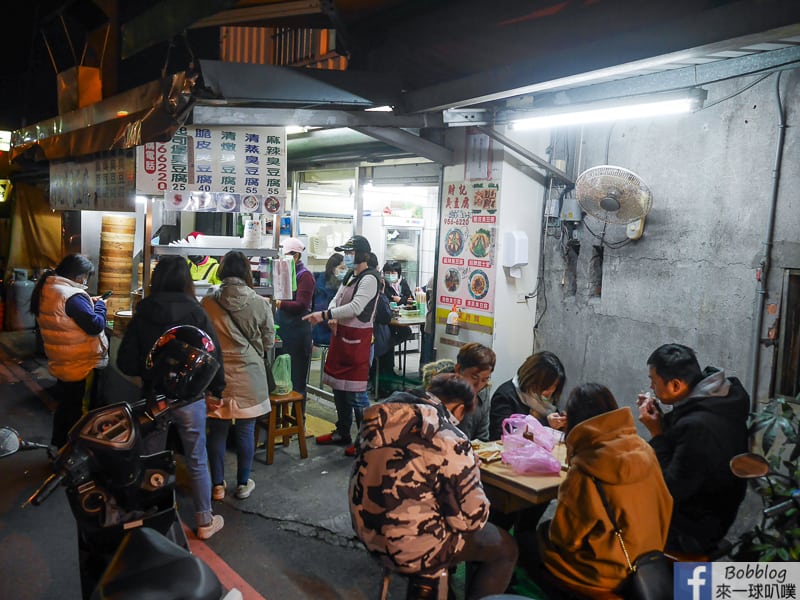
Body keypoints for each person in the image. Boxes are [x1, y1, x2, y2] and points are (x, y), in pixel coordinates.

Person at [349, 373, 518, 600]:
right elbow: (472, 519)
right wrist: (470, 471)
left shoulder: (381, 415)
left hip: (365, 528)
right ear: (459, 408)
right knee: (505, 547)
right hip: (408, 545)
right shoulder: (449, 438)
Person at [525, 383, 672, 597]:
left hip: (604, 572)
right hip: (648, 560)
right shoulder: (644, 449)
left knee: (527, 540)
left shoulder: (586, 469)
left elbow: (564, 539)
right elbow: (666, 504)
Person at [117, 255, 226, 540]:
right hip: (191, 400)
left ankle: (155, 519)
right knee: (197, 458)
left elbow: (125, 361)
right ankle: (204, 521)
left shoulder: (144, 310)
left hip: (155, 399)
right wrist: (218, 388)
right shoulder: (196, 311)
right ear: (186, 281)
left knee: (153, 459)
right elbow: (214, 354)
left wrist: (149, 371)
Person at [638, 343, 749, 555]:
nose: (651, 387)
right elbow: (682, 434)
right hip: (710, 511)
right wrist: (662, 420)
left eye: (653, 381)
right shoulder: (718, 398)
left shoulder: (699, 427)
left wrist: (656, 433)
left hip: (694, 528)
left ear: (676, 386)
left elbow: (668, 489)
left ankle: (635, 584)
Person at [201, 251, 275, 501]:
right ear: (246, 271)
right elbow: (268, 342)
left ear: (222, 270)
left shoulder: (208, 301)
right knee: (245, 431)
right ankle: (243, 483)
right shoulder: (259, 302)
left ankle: (217, 485)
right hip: (249, 376)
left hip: (216, 375)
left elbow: (202, 338)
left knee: (218, 431)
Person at [304, 235, 380, 450]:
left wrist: (325, 315)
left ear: (363, 255)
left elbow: (356, 307)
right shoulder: (350, 275)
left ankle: (366, 439)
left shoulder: (370, 278)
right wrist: (333, 315)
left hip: (358, 342)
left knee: (356, 394)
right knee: (339, 389)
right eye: (345, 253)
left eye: (350, 253)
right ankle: (342, 431)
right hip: (341, 339)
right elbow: (337, 299)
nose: (347, 257)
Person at [30, 254, 109, 448]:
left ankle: (58, 447)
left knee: (66, 407)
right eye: (86, 277)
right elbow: (95, 325)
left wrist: (89, 303)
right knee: (79, 411)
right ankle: (75, 454)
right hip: (80, 363)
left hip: (63, 360)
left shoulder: (48, 288)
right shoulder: (72, 296)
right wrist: (100, 306)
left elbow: (67, 314)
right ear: (80, 276)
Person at [274, 237, 315, 411]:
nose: (285, 258)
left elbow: (301, 305)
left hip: (298, 333)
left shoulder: (304, 276)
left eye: (289, 255)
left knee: (297, 380)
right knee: (280, 377)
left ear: (297, 256)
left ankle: (299, 419)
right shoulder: (283, 272)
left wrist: (278, 303)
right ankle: (280, 419)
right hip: (282, 329)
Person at [489, 351, 567, 441]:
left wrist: (560, 423)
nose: (551, 390)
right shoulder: (505, 396)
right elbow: (502, 435)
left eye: (555, 385)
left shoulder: (546, 398)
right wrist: (546, 424)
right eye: (548, 385)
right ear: (532, 379)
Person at [311, 253, 345, 347]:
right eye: (342, 268)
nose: (345, 271)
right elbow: (320, 309)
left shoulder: (343, 285)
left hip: (338, 332)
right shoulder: (320, 286)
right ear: (333, 268)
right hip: (321, 332)